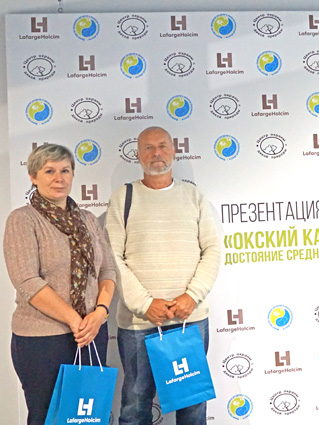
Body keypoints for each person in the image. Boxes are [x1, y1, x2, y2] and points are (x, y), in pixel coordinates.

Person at [105, 126, 221, 425]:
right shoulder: (123, 197)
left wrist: (191, 296)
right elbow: (112, 258)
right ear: (138, 155)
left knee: (193, 406)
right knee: (135, 405)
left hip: (188, 320)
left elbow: (212, 250)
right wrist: (145, 303)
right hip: (139, 323)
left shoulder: (193, 195)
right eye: (148, 147)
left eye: (162, 146)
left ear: (173, 151)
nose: (156, 153)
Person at [3, 144, 117, 425]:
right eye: (49, 171)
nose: (59, 178)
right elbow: (27, 280)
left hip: (91, 333)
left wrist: (100, 313)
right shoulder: (22, 219)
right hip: (43, 340)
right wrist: (75, 320)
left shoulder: (88, 220)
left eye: (65, 170)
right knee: (47, 417)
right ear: (33, 176)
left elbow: (107, 269)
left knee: (88, 417)